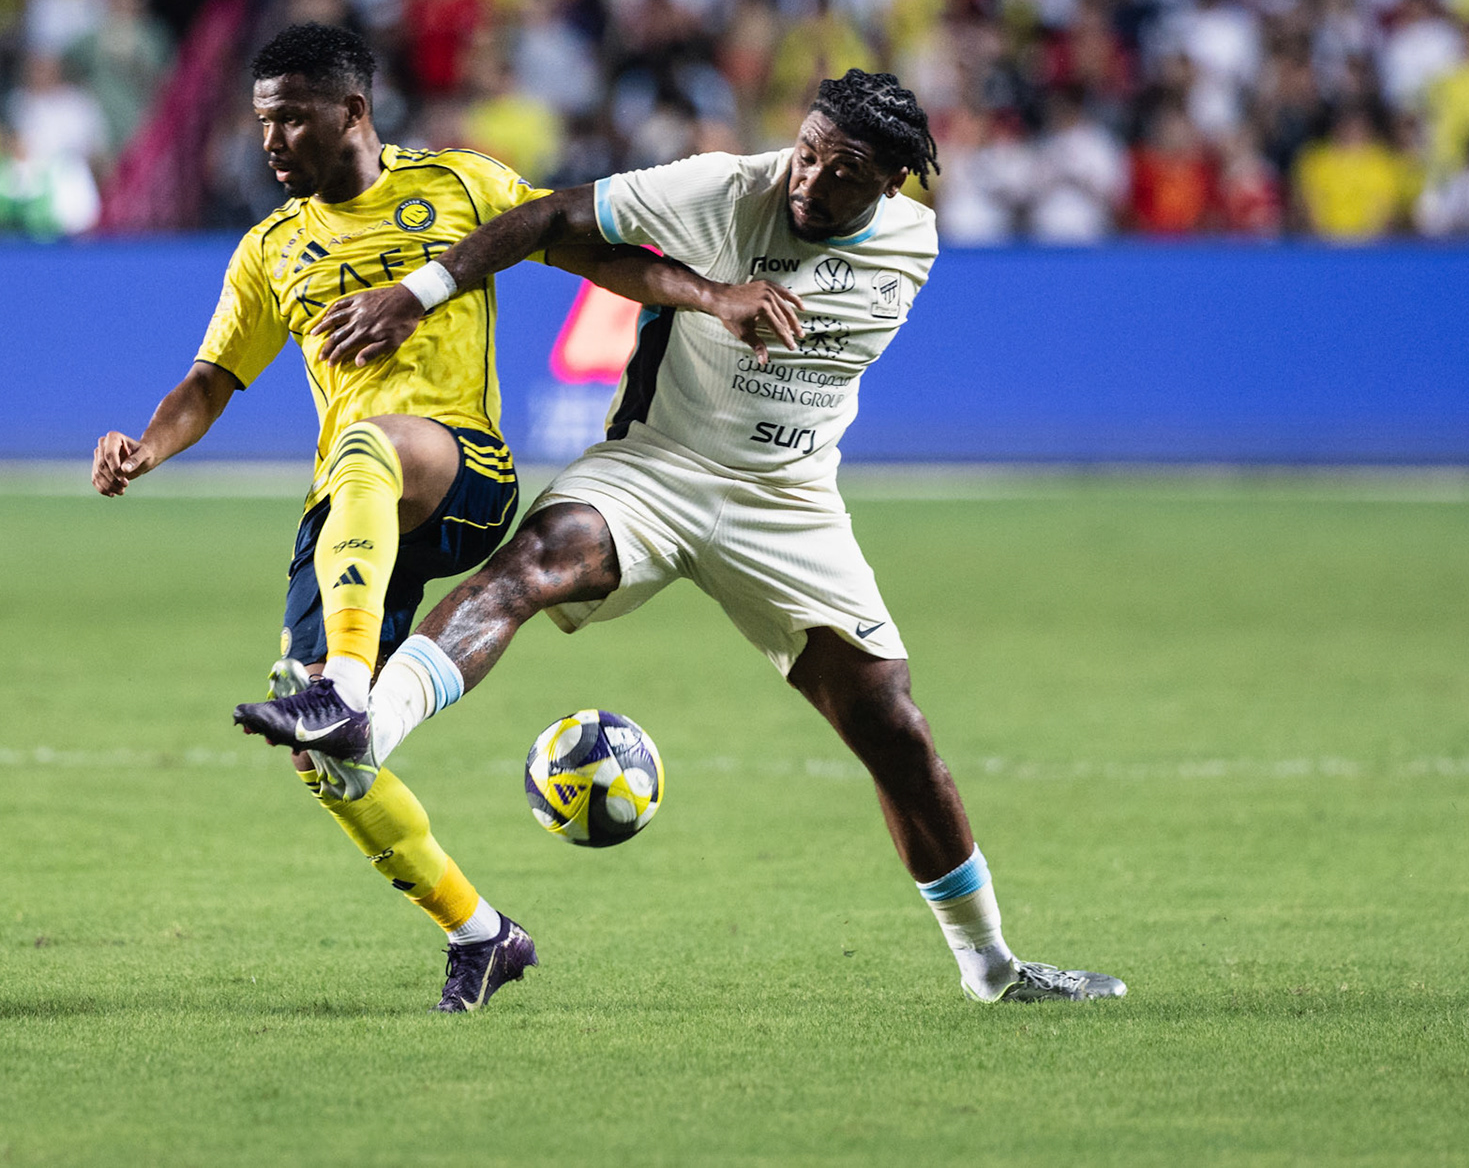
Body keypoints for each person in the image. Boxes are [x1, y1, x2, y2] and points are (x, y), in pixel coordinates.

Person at [237, 68, 1128, 1005]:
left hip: (789, 501)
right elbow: (545, 219)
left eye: (842, 173)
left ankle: (993, 969)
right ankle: (362, 724)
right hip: (656, 470)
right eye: (808, 153)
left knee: (894, 731)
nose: (809, 183)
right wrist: (423, 292)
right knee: (530, 567)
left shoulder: (915, 243)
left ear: (895, 185)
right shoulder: (729, 186)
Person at [98, 22, 794, 1012]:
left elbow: (597, 253)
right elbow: (212, 381)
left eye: (291, 118)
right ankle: (481, 933)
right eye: (262, 122)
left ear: (353, 110)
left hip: (460, 470)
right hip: (351, 522)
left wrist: (715, 295)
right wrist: (146, 446)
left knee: (370, 446)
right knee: (327, 767)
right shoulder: (271, 249)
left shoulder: (461, 187)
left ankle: (342, 683)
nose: (272, 142)